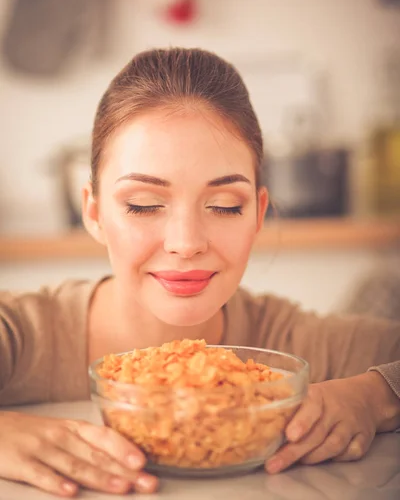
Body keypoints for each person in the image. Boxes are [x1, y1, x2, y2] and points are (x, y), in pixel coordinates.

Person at [0, 48, 399, 497]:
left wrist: (376, 396)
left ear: (258, 213)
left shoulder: (290, 347)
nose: (186, 242)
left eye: (225, 206)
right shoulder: (21, 334)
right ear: (92, 212)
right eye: (144, 205)